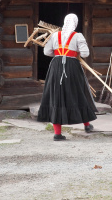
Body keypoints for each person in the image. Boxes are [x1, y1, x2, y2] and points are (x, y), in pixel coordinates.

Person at [37, 13, 98, 141]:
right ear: (75, 23)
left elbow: (46, 52)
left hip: (56, 66)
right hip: (72, 67)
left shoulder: (55, 35)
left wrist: (59, 53)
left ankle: (57, 134)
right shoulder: (78, 36)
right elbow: (86, 53)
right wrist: (75, 51)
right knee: (78, 93)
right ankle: (87, 126)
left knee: (56, 96)